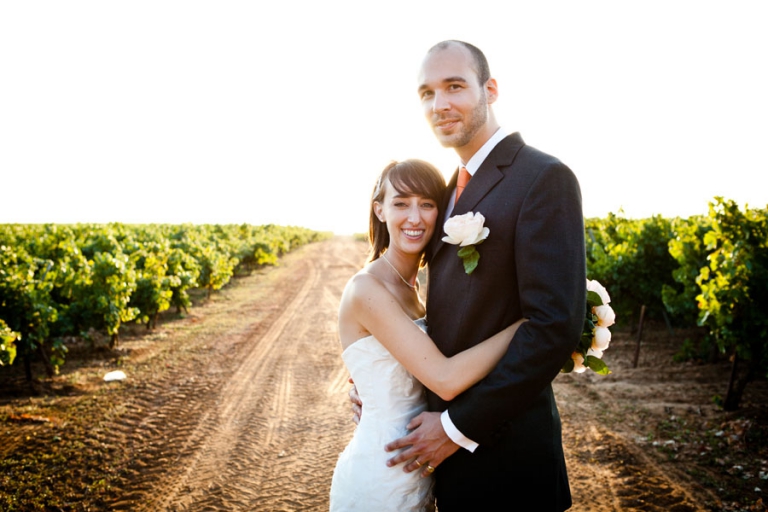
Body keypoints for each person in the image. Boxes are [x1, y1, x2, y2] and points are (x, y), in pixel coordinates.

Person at [371, 41, 587, 511]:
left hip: (508, 464)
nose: (439, 104)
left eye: (454, 86)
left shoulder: (542, 178)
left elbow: (554, 326)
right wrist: (382, 386)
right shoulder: (448, 189)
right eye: (427, 93)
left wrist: (455, 428)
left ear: (489, 90)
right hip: (446, 467)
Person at [330, 159, 527, 511]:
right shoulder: (366, 288)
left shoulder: (416, 289)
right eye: (401, 203)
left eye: (427, 204)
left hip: (420, 470)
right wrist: (528, 324)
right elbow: (445, 379)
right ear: (379, 210)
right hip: (381, 475)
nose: (415, 217)